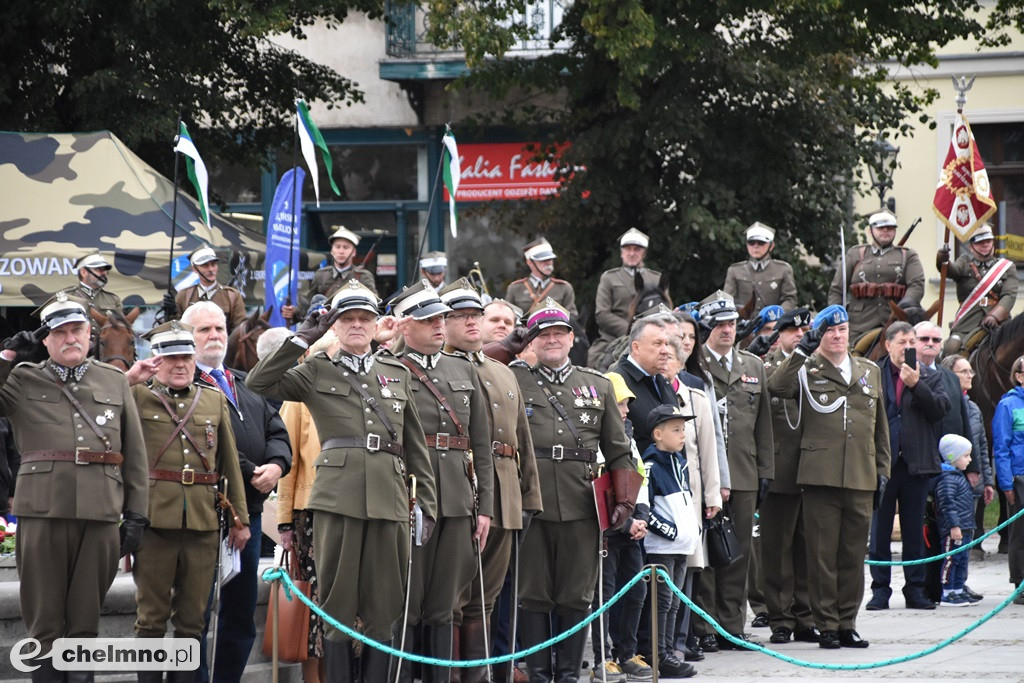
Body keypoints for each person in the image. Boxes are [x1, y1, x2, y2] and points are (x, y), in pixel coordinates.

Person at [247, 280, 438, 681]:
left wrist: (427, 505)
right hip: (337, 499)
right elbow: (259, 383)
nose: (356, 325)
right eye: (347, 319)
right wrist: (303, 338)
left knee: (384, 608)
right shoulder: (316, 370)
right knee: (336, 605)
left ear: (374, 325)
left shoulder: (396, 372)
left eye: (363, 318)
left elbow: (416, 445)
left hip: (389, 500)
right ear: (334, 326)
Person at [0, 294, 149, 681]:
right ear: (46, 339)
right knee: (44, 626)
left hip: (100, 514)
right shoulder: (22, 378)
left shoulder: (114, 379)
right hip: (42, 513)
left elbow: (134, 454)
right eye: (59, 332)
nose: (70, 338)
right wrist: (8, 357)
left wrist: (137, 513)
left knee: (85, 624)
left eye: (77, 330)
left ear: (90, 334)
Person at [510, 298, 634, 682]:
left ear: (570, 337)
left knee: (576, 594)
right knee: (533, 593)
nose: (552, 340)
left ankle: (567, 674)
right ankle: (539, 672)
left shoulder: (595, 384)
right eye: (543, 334)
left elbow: (619, 450)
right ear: (531, 340)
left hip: (582, 502)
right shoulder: (514, 379)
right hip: (530, 499)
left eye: (559, 333)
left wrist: (625, 499)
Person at [387, 279, 495, 683]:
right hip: (411, 494)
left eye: (441, 319)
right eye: (428, 320)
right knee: (408, 599)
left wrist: (484, 507)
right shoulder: (389, 367)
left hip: (457, 496)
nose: (438, 326)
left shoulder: (463, 368)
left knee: (443, 603)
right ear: (405, 326)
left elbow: (481, 445)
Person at [130, 322, 250, 683]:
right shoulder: (137, 396)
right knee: (151, 618)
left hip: (202, 521)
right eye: (171, 357)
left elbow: (228, 459)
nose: (180, 364)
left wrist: (240, 518)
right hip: (154, 520)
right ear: (156, 360)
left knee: (193, 620)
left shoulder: (212, 398)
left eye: (186, 356)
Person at [766, 305, 890, 649]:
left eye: (843, 330)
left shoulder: (868, 370)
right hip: (819, 475)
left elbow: (879, 426)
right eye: (830, 331)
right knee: (821, 556)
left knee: (852, 556)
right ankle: (827, 624)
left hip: (861, 474)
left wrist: (882, 470)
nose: (838, 336)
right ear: (819, 335)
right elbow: (776, 387)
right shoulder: (806, 368)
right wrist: (800, 354)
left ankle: (848, 622)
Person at [439, 279, 542, 683]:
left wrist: (529, 496)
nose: (470, 322)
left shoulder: (502, 371)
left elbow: (521, 442)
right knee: (451, 597)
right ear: (441, 322)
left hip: (505, 493)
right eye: (460, 316)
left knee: (487, 598)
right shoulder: (432, 369)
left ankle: (479, 677)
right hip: (459, 491)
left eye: (474, 315)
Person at [183, 301, 292, 683]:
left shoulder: (247, 382)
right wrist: (251, 471)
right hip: (203, 513)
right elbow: (210, 445)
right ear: (188, 337)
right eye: (204, 330)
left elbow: (278, 431)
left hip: (251, 511)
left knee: (241, 612)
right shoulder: (185, 386)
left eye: (219, 329)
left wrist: (277, 465)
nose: (215, 336)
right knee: (194, 612)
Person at [693, 290, 773, 652]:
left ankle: (731, 625)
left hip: (743, 472)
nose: (727, 330)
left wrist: (765, 470)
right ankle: (705, 625)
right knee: (708, 552)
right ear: (707, 326)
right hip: (705, 474)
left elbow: (764, 425)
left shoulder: (752, 366)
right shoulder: (694, 366)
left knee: (738, 553)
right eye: (720, 324)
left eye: (732, 324)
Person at [866, 321, 949, 611]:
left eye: (911, 341)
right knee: (879, 532)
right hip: (882, 464)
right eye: (902, 341)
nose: (908, 347)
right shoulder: (872, 373)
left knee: (914, 530)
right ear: (888, 345)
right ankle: (880, 590)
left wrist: (917, 384)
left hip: (916, 464)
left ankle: (915, 589)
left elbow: (940, 410)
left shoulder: (929, 376)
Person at [277, 332, 340, 683]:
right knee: (314, 602)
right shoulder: (301, 397)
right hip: (311, 514)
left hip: (355, 510)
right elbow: (288, 461)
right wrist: (285, 521)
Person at [757, 307, 821, 645]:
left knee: (806, 548)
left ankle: (803, 615)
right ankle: (779, 618)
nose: (800, 335)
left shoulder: (817, 366)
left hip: (810, 470)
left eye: (805, 330)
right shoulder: (767, 366)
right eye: (792, 330)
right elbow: (776, 388)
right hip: (780, 470)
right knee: (777, 550)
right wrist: (798, 355)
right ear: (778, 335)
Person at [662, 326, 724, 664]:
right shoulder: (654, 394)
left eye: (673, 356)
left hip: (692, 491)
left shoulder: (695, 396)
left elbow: (710, 450)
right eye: (664, 356)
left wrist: (712, 496)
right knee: (666, 569)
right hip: (662, 493)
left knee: (689, 568)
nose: (667, 362)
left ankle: (682, 639)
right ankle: (665, 640)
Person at [589, 372, 650, 682]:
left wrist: (643, 517)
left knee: (636, 591)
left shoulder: (627, 434)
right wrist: (625, 524)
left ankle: (627, 654)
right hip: (608, 533)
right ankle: (603, 659)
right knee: (606, 595)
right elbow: (602, 487)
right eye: (621, 404)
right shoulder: (596, 437)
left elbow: (639, 478)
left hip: (631, 527)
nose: (626, 411)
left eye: (627, 405)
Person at [643, 405, 700, 679]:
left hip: (680, 547)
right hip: (662, 548)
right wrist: (671, 532)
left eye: (683, 429)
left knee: (674, 603)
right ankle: (657, 654)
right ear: (658, 434)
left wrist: (690, 530)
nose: (682, 435)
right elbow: (646, 508)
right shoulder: (651, 465)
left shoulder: (679, 462)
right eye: (676, 430)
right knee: (662, 602)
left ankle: (666, 652)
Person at [827, 211, 925, 344]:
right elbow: (837, 289)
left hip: (895, 323)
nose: (885, 230)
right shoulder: (855, 254)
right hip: (859, 325)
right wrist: (836, 319)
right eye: (880, 227)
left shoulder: (907, 255)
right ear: (870, 231)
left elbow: (916, 285)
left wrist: (904, 308)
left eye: (890, 228)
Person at [940, 354, 996, 569]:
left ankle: (960, 581)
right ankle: (948, 583)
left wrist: (987, 481)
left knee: (967, 534)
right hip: (949, 482)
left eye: (970, 370)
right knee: (950, 536)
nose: (970, 375)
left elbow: (981, 448)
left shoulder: (973, 408)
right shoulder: (943, 403)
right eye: (964, 371)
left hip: (971, 482)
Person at [937, 224, 1018, 355]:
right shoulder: (964, 262)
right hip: (968, 321)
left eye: (988, 241)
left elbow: (1009, 295)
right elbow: (951, 271)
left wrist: (994, 316)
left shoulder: (1007, 267)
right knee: (951, 347)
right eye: (980, 242)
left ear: (993, 242)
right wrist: (942, 259)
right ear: (971, 247)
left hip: (998, 322)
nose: (985, 245)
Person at [590, 228, 662, 367]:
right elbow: (602, 314)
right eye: (627, 249)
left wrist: (645, 332)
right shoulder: (609, 278)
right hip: (614, 338)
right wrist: (631, 330)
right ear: (621, 253)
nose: (632, 253)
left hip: (651, 336)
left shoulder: (656, 279)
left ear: (644, 253)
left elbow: (664, 310)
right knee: (594, 361)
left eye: (637, 249)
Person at [609, 315, 680, 454]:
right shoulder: (616, 381)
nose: (665, 350)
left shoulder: (662, 381)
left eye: (666, 343)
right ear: (636, 347)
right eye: (658, 343)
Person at [282, 226, 376, 323]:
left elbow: (374, 305)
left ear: (354, 252)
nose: (341, 251)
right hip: (323, 328)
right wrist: (294, 312)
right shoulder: (321, 275)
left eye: (346, 247)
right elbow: (308, 304)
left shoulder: (363, 276)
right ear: (332, 251)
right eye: (337, 247)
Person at [991, 355, 1024, 605]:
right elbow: (1000, 447)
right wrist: (1006, 484)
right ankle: (1020, 584)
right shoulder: (1008, 405)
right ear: (1019, 376)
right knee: (1020, 535)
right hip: (1019, 477)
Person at [933, 434, 980, 606]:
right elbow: (947, 505)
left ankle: (959, 589)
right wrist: (954, 526)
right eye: (966, 455)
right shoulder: (948, 479)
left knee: (962, 559)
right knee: (951, 559)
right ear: (953, 456)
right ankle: (947, 592)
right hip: (954, 529)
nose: (970, 459)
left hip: (965, 526)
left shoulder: (958, 476)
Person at [723, 222, 797, 318]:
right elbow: (727, 301)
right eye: (751, 242)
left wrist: (775, 315)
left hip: (772, 325)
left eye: (761, 243)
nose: (755, 246)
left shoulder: (783, 269)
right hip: (743, 326)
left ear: (771, 245)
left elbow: (790, 299)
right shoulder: (735, 270)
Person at [166, 247, 246, 333]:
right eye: (205, 265)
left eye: (213, 264)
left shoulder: (232, 296)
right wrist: (170, 315)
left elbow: (240, 332)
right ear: (194, 269)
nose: (211, 269)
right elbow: (175, 331)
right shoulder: (184, 296)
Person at [504, 238, 578, 318]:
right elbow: (508, 317)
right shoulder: (515, 288)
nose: (548, 263)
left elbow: (572, 318)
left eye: (550, 259)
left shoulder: (564, 288)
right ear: (529, 262)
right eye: (542, 260)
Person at [59, 252, 123, 317]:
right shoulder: (67, 297)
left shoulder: (113, 299)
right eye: (99, 269)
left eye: (105, 270)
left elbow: (121, 325)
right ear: (83, 272)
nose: (104, 273)